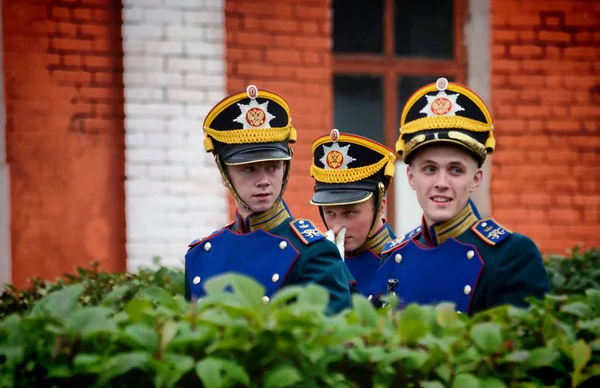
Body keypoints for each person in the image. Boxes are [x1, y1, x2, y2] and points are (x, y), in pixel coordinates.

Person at [371, 77, 550, 314]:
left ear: (476, 179)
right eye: (430, 169)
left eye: (456, 170)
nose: (441, 183)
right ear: (411, 178)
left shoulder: (510, 256)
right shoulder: (394, 256)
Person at [184, 85, 352, 314]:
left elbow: (326, 342)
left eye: (272, 167)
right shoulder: (200, 255)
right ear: (224, 173)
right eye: (249, 169)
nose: (263, 180)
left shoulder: (313, 253)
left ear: (286, 167)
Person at [310, 130, 397, 297]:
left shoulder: (399, 264)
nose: (336, 228)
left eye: (349, 213)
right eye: (330, 213)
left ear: (380, 206)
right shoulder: (313, 262)